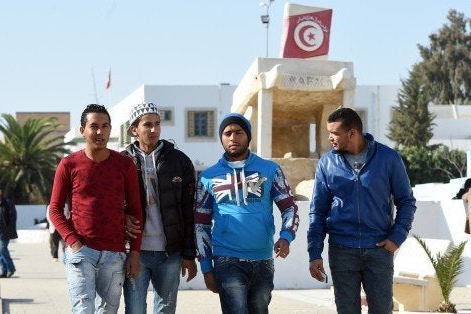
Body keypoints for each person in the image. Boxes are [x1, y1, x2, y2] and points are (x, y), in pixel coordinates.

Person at [308, 108, 417, 313]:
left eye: (335, 133)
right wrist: (314, 252)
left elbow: (406, 201)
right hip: (342, 250)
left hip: (378, 250)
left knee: (382, 310)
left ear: (352, 133)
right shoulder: (327, 163)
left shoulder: (388, 158)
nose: (330, 138)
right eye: (329, 132)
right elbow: (318, 212)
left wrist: (397, 237)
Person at [194, 113, 299, 314]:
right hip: (226, 259)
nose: (233, 138)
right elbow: (200, 225)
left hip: (263, 260)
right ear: (221, 138)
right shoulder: (208, 177)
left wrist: (286, 237)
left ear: (248, 136)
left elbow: (289, 207)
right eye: (227, 133)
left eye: (238, 132)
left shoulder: (270, 170)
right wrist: (207, 267)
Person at [48, 104, 143, 313]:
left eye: (105, 126)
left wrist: (134, 253)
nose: (100, 132)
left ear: (110, 129)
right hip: (82, 252)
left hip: (115, 254)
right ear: (83, 130)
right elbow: (54, 209)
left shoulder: (124, 165)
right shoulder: (69, 164)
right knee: (83, 310)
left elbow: (136, 210)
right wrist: (73, 243)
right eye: (94, 126)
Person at [121, 102, 197, 313]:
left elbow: (188, 211)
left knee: (166, 309)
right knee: (134, 309)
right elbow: (113, 205)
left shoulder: (180, 161)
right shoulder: (121, 162)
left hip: (170, 253)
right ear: (134, 130)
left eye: (157, 124)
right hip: (135, 252)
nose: (154, 129)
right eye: (147, 125)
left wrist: (189, 255)